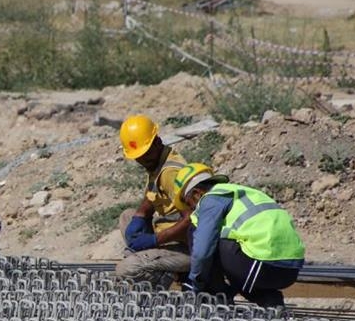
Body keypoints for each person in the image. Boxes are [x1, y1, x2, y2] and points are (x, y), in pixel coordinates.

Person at [173, 163, 306, 307]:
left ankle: (215, 296)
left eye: (190, 204)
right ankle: (268, 299)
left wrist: (195, 283)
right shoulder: (243, 193)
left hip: (260, 267)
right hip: (290, 271)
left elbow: (202, 252)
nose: (192, 209)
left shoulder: (211, 199)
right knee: (236, 247)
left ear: (197, 193)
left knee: (197, 230)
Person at [114, 115, 191, 288]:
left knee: (126, 269)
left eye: (146, 155)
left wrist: (155, 240)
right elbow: (152, 195)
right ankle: (151, 259)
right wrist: (141, 215)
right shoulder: (157, 162)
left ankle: (172, 278)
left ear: (157, 141)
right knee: (128, 216)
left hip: (187, 246)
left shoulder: (171, 173)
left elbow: (192, 220)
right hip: (168, 235)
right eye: (138, 157)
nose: (142, 160)